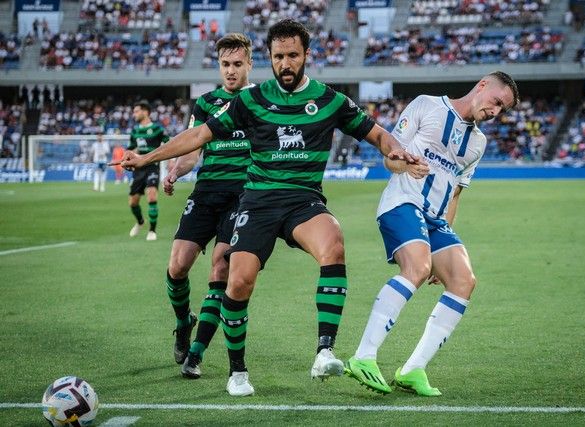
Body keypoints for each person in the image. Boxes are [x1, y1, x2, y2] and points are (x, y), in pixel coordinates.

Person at [120, 19, 419, 397]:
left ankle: (324, 350)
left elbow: (376, 134)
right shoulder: (250, 100)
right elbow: (198, 136)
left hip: (302, 201)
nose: (286, 63)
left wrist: (394, 150)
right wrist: (148, 158)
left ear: (307, 55)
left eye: (293, 55)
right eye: (279, 57)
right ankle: (237, 372)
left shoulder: (330, 100)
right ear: (270, 58)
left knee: (334, 243)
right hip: (257, 202)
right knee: (238, 281)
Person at [344, 71, 519, 396]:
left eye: (503, 109)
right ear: (482, 85)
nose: (496, 112)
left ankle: (412, 370)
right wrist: (405, 165)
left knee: (464, 281)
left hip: (436, 221)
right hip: (402, 202)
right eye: (497, 101)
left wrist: (444, 242)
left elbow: (455, 194)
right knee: (418, 268)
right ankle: (363, 356)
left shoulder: (477, 143)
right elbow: (389, 159)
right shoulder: (427, 106)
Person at [160, 33, 253, 379]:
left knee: (220, 268)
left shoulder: (259, 101)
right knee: (178, 266)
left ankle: (195, 354)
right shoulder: (206, 102)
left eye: (237, 64)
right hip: (206, 192)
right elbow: (193, 149)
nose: (230, 71)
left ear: (249, 64)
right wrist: (175, 171)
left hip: (243, 196)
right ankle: (184, 323)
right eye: (225, 64)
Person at [127, 100, 170, 241]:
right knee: (133, 202)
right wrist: (128, 159)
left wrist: (171, 161)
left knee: (151, 196)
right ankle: (140, 222)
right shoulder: (135, 130)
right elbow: (132, 148)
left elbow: (168, 143)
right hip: (138, 168)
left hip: (152, 166)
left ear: (145, 112)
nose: (134, 114)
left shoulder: (157, 129)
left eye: (136, 111)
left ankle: (152, 230)